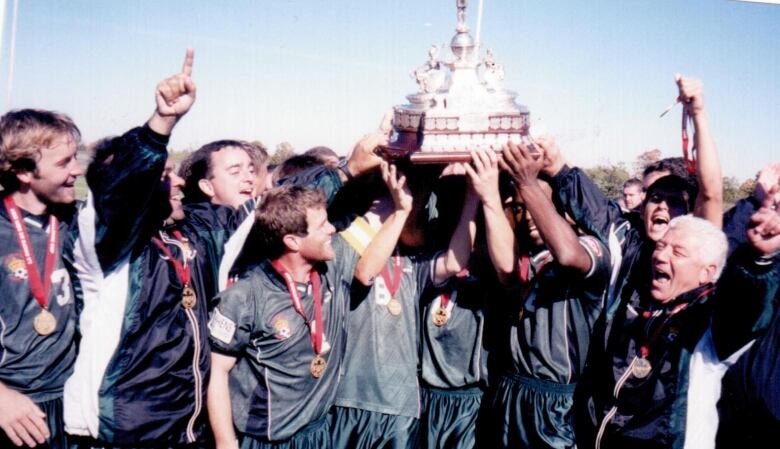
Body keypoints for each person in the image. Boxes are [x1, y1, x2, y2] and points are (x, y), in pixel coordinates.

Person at [329, 157, 481, 449]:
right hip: (352, 398)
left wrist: (473, 199)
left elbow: (454, 260)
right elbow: (366, 272)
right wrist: (400, 211)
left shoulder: (410, 258)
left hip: (401, 405)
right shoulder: (343, 245)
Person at [476, 142, 611, 449]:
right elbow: (507, 272)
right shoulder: (529, 256)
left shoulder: (593, 250)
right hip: (511, 387)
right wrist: (487, 196)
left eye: (539, 206)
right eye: (522, 209)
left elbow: (566, 254)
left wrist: (527, 182)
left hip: (556, 403)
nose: (530, 218)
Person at [0, 107, 83, 448]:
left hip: (70, 399)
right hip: (13, 407)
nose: (77, 170)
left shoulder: (76, 222)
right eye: (64, 163)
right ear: (23, 171)